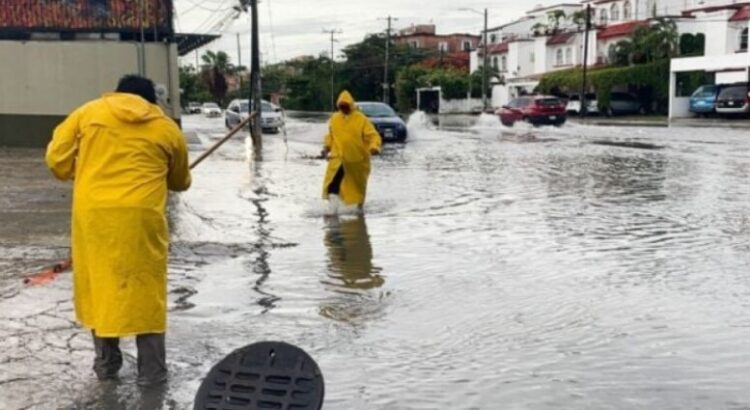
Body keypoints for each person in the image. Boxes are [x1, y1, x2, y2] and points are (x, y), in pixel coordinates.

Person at [45, 75, 191, 385]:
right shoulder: (166, 128)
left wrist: (83, 171)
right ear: (152, 100)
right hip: (142, 219)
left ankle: (107, 368)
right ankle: (152, 376)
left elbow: (56, 161)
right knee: (146, 292)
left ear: (116, 93)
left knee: (101, 286)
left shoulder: (87, 114)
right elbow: (180, 182)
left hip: (94, 218)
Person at [321, 91, 382, 210]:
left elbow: (373, 135)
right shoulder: (335, 118)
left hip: (357, 161)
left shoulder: (361, 119)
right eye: (341, 107)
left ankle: (357, 210)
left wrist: (374, 147)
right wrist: (326, 148)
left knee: (356, 188)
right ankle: (333, 210)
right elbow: (330, 136)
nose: (343, 109)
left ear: (351, 105)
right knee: (333, 184)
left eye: (345, 106)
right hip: (338, 159)